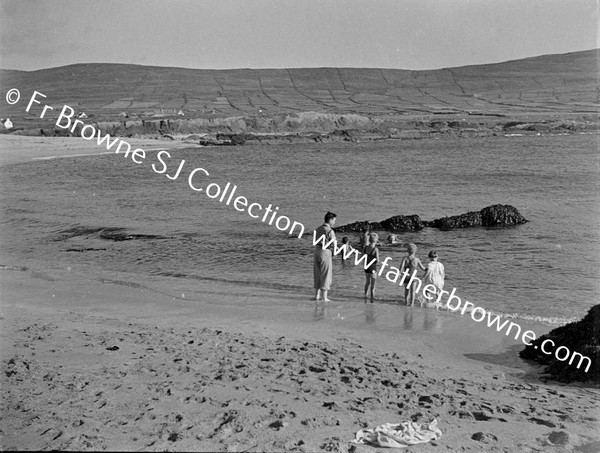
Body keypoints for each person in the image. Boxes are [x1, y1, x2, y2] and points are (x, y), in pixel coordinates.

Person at [313, 211, 337, 301]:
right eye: (334, 221)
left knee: (317, 273)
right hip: (325, 252)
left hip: (317, 251)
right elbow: (334, 243)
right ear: (330, 220)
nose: (334, 223)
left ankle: (316, 295)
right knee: (326, 274)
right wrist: (334, 253)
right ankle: (324, 297)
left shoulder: (318, 229)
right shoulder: (330, 231)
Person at [363, 232, 380, 303]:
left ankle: (365, 295)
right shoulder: (375, 249)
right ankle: (372, 298)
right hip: (373, 268)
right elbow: (377, 260)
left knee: (367, 282)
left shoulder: (366, 247)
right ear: (376, 241)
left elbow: (363, 257)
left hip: (366, 267)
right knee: (373, 285)